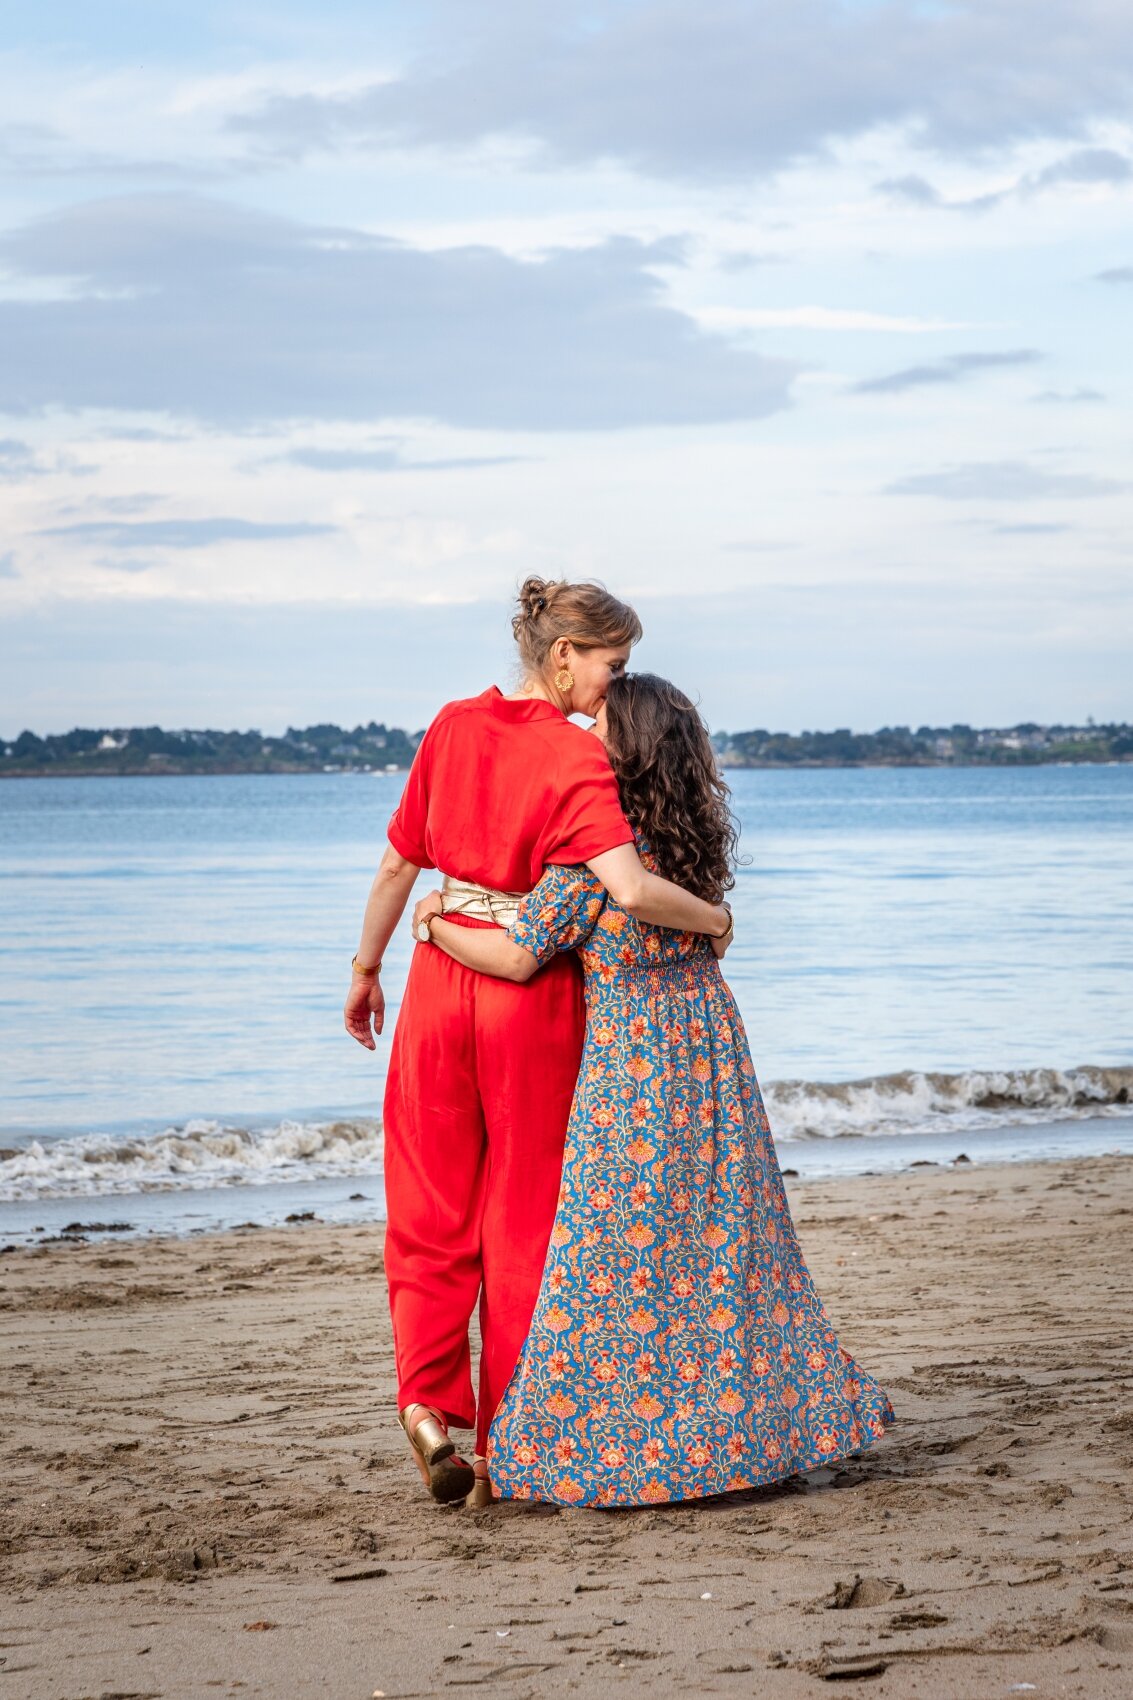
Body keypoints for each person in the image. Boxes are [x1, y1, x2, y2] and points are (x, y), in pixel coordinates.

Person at [413, 672, 894, 1506]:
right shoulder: (691, 842)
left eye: (596, 724)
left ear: (622, 746)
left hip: (631, 1076)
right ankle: (755, 1434)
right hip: (711, 1057)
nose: (582, 736)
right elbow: (702, 930)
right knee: (724, 1250)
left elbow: (519, 955)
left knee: (611, 1263)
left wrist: (435, 924)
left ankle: (596, 1450)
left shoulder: (594, 858)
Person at [344, 585, 733, 1505]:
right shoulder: (574, 755)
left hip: (438, 987)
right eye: (610, 664)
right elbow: (630, 892)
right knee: (524, 1219)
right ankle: (511, 1449)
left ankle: (428, 1409)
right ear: (564, 655)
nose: (612, 685)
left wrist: (365, 969)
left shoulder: (447, 727)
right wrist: (716, 921)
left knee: (428, 1208)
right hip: (529, 1002)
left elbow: (401, 862)